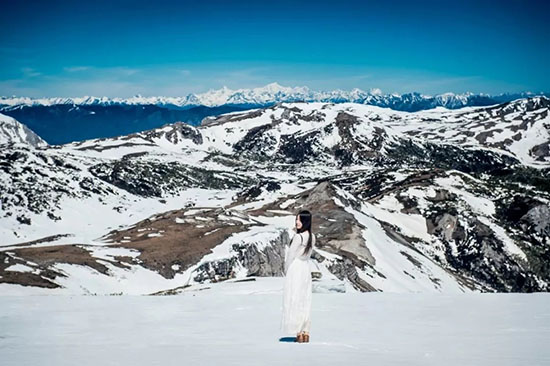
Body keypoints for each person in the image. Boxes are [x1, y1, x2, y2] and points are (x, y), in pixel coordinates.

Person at [280, 210, 316, 343]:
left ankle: (298, 332)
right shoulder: (312, 237)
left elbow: (290, 255)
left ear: (305, 221)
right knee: (305, 299)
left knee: (294, 298)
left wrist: (286, 270)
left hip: (296, 268)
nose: (297, 222)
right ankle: (306, 332)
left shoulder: (298, 237)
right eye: (296, 219)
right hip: (305, 268)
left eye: (299, 220)